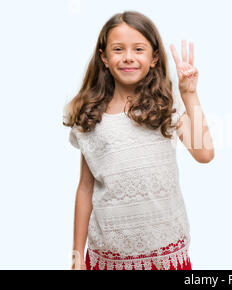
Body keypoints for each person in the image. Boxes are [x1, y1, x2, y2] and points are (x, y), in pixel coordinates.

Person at [63, 10, 214, 270]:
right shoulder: (90, 114)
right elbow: (85, 188)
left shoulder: (166, 105)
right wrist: (77, 256)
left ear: (154, 57)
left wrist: (189, 94)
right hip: (109, 257)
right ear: (105, 58)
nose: (128, 57)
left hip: (164, 254)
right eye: (118, 49)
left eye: (139, 49)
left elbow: (204, 153)